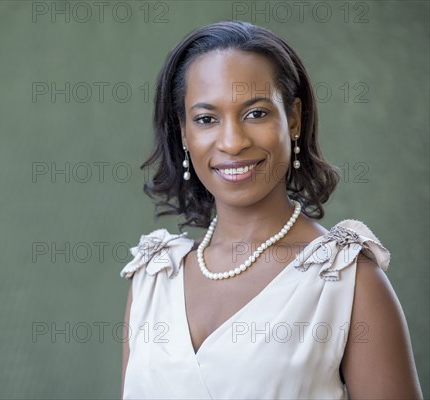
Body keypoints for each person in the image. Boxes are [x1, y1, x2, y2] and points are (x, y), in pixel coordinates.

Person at [119, 21, 423, 399]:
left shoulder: (347, 279)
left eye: (256, 113)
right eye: (206, 119)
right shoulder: (153, 277)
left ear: (293, 118)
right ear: (183, 132)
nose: (232, 142)